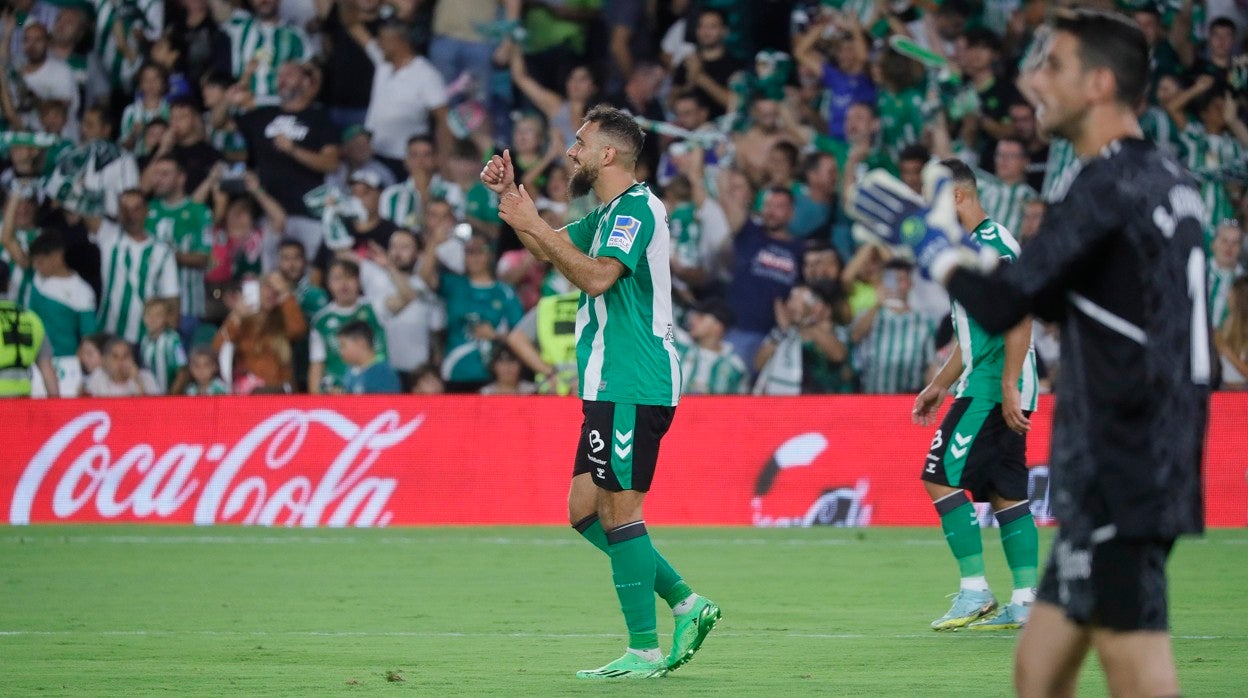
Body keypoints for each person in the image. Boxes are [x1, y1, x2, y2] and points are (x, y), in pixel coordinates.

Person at [849, 10, 1210, 696]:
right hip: (1139, 452)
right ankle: (1003, 593)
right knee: (1038, 670)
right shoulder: (1168, 179)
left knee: (1137, 673)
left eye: (1053, 68)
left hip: (1124, 460)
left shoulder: (1107, 184)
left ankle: (981, 588)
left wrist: (925, 243)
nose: (1035, 81)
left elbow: (1005, 305)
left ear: (1099, 83)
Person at [486, 105, 718, 679]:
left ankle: (644, 649)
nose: (571, 151)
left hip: (634, 381)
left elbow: (595, 276)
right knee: (584, 510)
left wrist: (532, 222)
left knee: (619, 511)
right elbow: (550, 249)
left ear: (608, 154)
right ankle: (689, 604)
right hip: (610, 383)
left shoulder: (637, 209)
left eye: (580, 142)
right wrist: (518, 206)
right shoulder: (613, 211)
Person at [910, 158, 1040, 631]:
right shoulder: (971, 249)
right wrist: (939, 385)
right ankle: (1025, 601)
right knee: (1007, 494)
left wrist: (1007, 384)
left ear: (958, 196)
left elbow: (1019, 314)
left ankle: (975, 591)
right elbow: (979, 333)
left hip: (991, 387)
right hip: (996, 381)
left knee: (938, 476)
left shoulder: (991, 243)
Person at [10, 230, 96, 397]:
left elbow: (89, 337)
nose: (36, 266)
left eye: (40, 261)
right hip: (31, 361)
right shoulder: (36, 278)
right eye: (34, 261)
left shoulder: (81, 291)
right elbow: (7, 239)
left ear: (58, 256)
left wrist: (74, 368)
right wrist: (15, 201)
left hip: (64, 363)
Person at [90, 189, 180, 343]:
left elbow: (172, 300)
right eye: (124, 209)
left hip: (145, 338)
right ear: (118, 212)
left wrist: (165, 337)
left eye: (136, 208)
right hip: (108, 334)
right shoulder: (108, 237)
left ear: (146, 211)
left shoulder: (162, 251)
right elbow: (79, 208)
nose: (130, 215)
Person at [145, 156, 214, 345]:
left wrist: (166, 257)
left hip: (187, 307)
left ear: (181, 178)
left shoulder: (199, 212)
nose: (158, 179)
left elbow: (205, 258)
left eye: (165, 174)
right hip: (150, 307)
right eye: (156, 174)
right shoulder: (147, 210)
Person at [850, 258, 935, 395]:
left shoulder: (924, 321)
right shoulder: (869, 315)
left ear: (910, 284)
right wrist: (878, 304)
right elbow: (855, 336)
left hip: (909, 398)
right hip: (871, 397)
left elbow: (931, 364)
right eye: (890, 280)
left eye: (901, 280)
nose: (895, 286)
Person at [213, 272, 308, 393]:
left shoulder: (282, 318)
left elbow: (298, 330)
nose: (271, 293)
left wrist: (286, 295)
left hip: (280, 391)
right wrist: (236, 317)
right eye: (267, 287)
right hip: (250, 394)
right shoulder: (242, 319)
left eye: (275, 289)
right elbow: (217, 349)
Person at [308, 258, 386, 393]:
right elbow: (317, 364)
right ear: (328, 283)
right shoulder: (321, 321)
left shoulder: (375, 307)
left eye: (349, 277)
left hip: (376, 389)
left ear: (358, 281)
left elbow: (407, 298)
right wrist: (315, 402)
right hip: (338, 393)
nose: (344, 284)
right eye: (337, 278)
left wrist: (389, 267)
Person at [0, 262, 59, 398]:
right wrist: (57, 408)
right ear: (9, 285)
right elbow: (47, 370)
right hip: (22, 401)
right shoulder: (32, 319)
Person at [677, 298, 748, 395]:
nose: (693, 320)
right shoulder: (679, 348)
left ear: (718, 326)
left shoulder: (735, 367)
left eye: (701, 317)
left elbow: (739, 405)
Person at [139, 297, 188, 394]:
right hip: (151, 396)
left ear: (166, 318)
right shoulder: (144, 340)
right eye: (149, 314)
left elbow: (182, 371)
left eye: (158, 315)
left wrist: (171, 396)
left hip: (169, 396)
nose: (153, 319)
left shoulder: (173, 340)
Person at [337, 319, 401, 394]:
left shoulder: (384, 372)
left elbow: (388, 404)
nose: (341, 351)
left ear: (361, 342)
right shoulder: (350, 371)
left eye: (343, 345)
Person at [84, 336, 160, 396]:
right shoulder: (98, 377)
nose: (121, 361)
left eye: (126, 356)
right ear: (106, 361)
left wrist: (138, 382)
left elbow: (152, 411)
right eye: (115, 357)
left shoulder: (146, 377)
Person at [1215, 277, 1248, 390]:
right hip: (1222, 388)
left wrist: (1228, 353)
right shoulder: (1227, 323)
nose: (1228, 297)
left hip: (1243, 391)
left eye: (1231, 292)